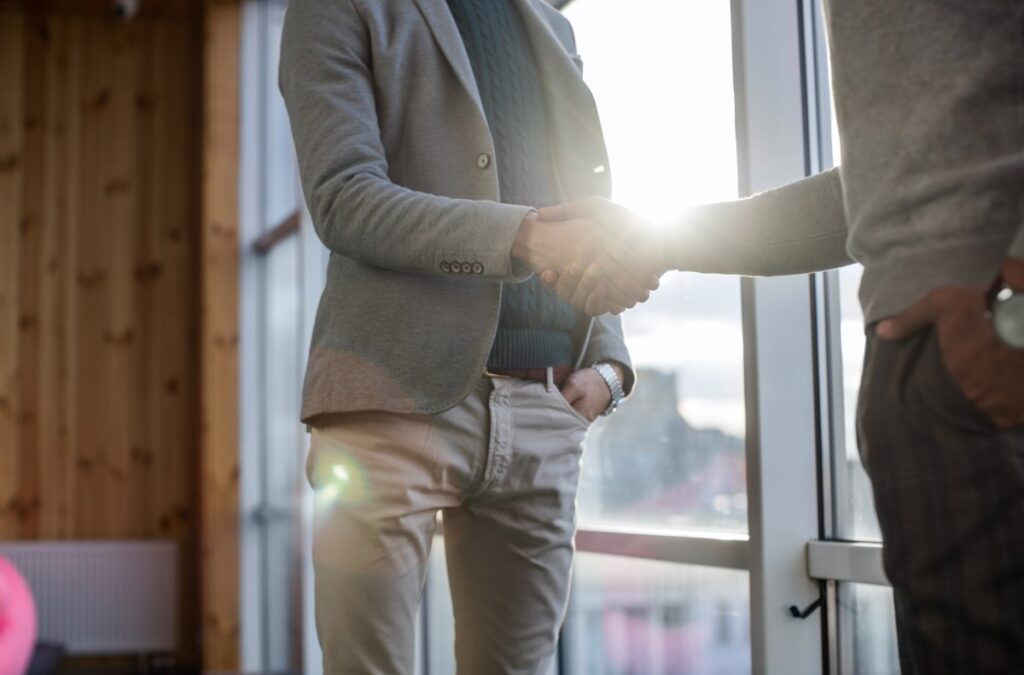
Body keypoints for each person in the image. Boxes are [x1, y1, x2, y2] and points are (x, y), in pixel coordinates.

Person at [538, 2, 1024, 672]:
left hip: (984, 345)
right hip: (937, 348)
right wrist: (657, 236)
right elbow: (886, 183)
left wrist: (1016, 309)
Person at [279, 1, 657, 673]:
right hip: (387, 402)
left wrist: (609, 364)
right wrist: (520, 234)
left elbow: (582, 204)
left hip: (549, 406)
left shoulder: (550, 21)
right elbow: (344, 195)